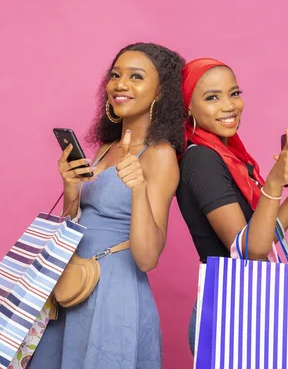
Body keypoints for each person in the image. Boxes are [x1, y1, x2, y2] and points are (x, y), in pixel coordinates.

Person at [28, 43, 186, 368]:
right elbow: (74, 223)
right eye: (115, 75)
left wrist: (139, 187)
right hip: (72, 285)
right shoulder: (104, 148)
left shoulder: (160, 156)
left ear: (160, 93)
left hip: (113, 291)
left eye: (136, 76)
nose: (120, 84)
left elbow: (147, 258)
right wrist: (70, 189)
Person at [175, 58, 288, 354]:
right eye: (212, 97)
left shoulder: (228, 156)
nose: (229, 106)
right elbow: (250, 250)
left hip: (249, 307)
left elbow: (265, 236)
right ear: (188, 106)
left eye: (234, 93)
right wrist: (274, 183)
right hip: (228, 312)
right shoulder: (200, 160)